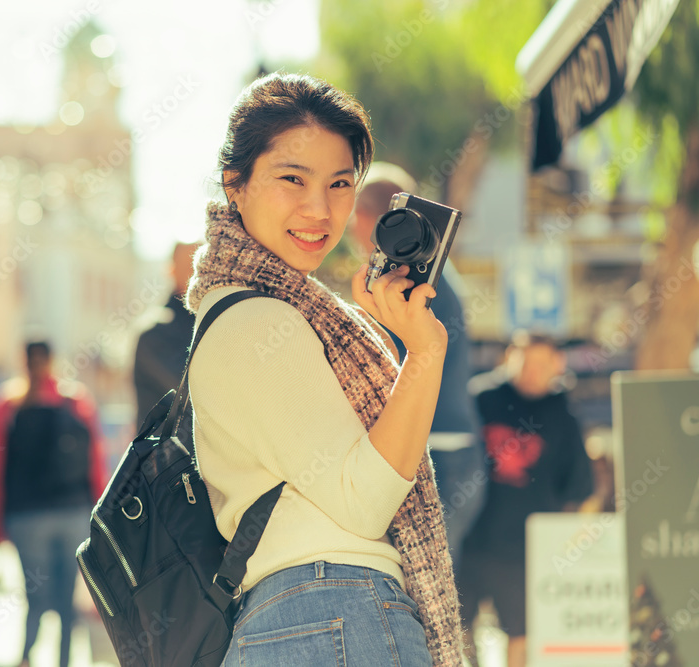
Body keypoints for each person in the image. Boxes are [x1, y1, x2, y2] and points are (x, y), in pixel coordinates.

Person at [185, 72, 460, 666]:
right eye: (292, 179)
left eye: (340, 184)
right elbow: (363, 501)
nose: (319, 209)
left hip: (303, 619)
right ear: (235, 184)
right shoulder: (260, 320)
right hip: (336, 613)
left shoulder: (258, 309)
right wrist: (425, 352)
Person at [350, 163, 486, 567]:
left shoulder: (404, 283)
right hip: (456, 452)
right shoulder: (438, 274)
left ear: (369, 222)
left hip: (434, 457)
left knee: (423, 599)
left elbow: (380, 372)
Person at [459, 332, 594, 667]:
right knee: (458, 629)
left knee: (522, 635)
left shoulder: (563, 414)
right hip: (469, 541)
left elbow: (579, 489)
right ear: (510, 358)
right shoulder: (480, 398)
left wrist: (570, 543)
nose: (532, 371)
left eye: (542, 363)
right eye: (526, 361)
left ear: (557, 366)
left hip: (525, 551)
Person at [0, 341, 106, 667]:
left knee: (34, 597)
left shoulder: (5, 405)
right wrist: (99, 516)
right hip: (73, 513)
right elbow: (96, 463)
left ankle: (26, 658)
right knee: (68, 599)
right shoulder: (77, 400)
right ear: (53, 361)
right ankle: (65, 661)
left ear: (22, 361)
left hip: (26, 516)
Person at [133, 241, 200, 441]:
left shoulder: (212, 321)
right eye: (190, 263)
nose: (197, 272)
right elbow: (195, 392)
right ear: (170, 270)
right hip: (168, 465)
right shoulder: (155, 332)